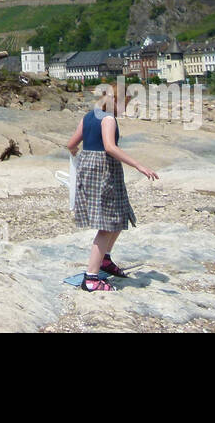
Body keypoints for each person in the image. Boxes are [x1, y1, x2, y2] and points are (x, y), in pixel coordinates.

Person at [64, 81, 159, 292]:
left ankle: (104, 259)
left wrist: (76, 158)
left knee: (118, 214)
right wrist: (138, 165)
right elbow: (110, 147)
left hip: (89, 168)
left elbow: (71, 144)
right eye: (126, 102)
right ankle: (91, 278)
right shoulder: (108, 118)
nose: (127, 108)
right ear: (115, 100)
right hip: (104, 170)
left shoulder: (88, 116)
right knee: (106, 224)